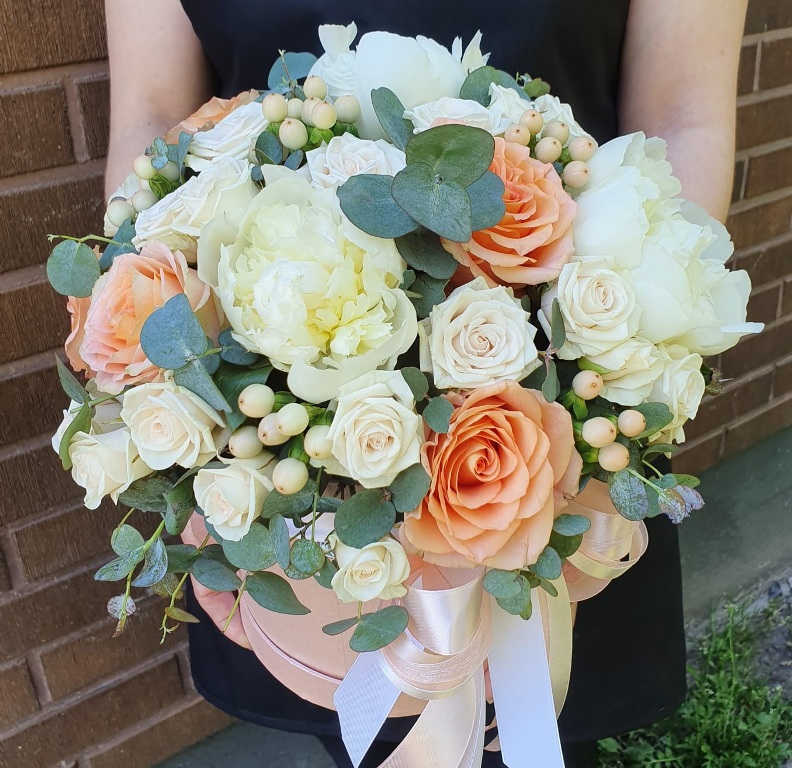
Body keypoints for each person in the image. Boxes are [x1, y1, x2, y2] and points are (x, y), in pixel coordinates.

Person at [104, 2, 749, 766]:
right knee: (358, 725)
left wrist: (617, 371)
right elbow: (152, 116)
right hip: (291, 492)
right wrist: (190, 437)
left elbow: (683, 116)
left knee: (541, 729)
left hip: (566, 432)